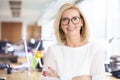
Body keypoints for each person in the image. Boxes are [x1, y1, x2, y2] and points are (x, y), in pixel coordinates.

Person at [41, 3, 106, 80]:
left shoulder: (94, 48)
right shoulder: (53, 50)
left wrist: (61, 78)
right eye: (65, 19)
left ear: (82, 22)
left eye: (75, 19)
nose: (70, 23)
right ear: (60, 25)